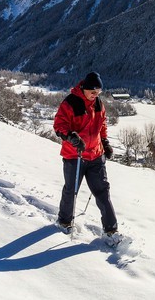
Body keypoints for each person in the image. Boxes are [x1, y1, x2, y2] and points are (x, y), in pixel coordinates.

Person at [55, 72, 118, 235]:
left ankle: (111, 231)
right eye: (93, 92)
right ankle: (64, 221)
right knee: (71, 190)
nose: (95, 95)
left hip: (96, 155)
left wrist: (105, 143)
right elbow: (59, 125)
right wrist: (71, 136)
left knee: (103, 192)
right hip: (74, 155)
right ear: (84, 88)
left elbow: (102, 125)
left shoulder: (98, 104)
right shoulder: (70, 103)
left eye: (98, 92)